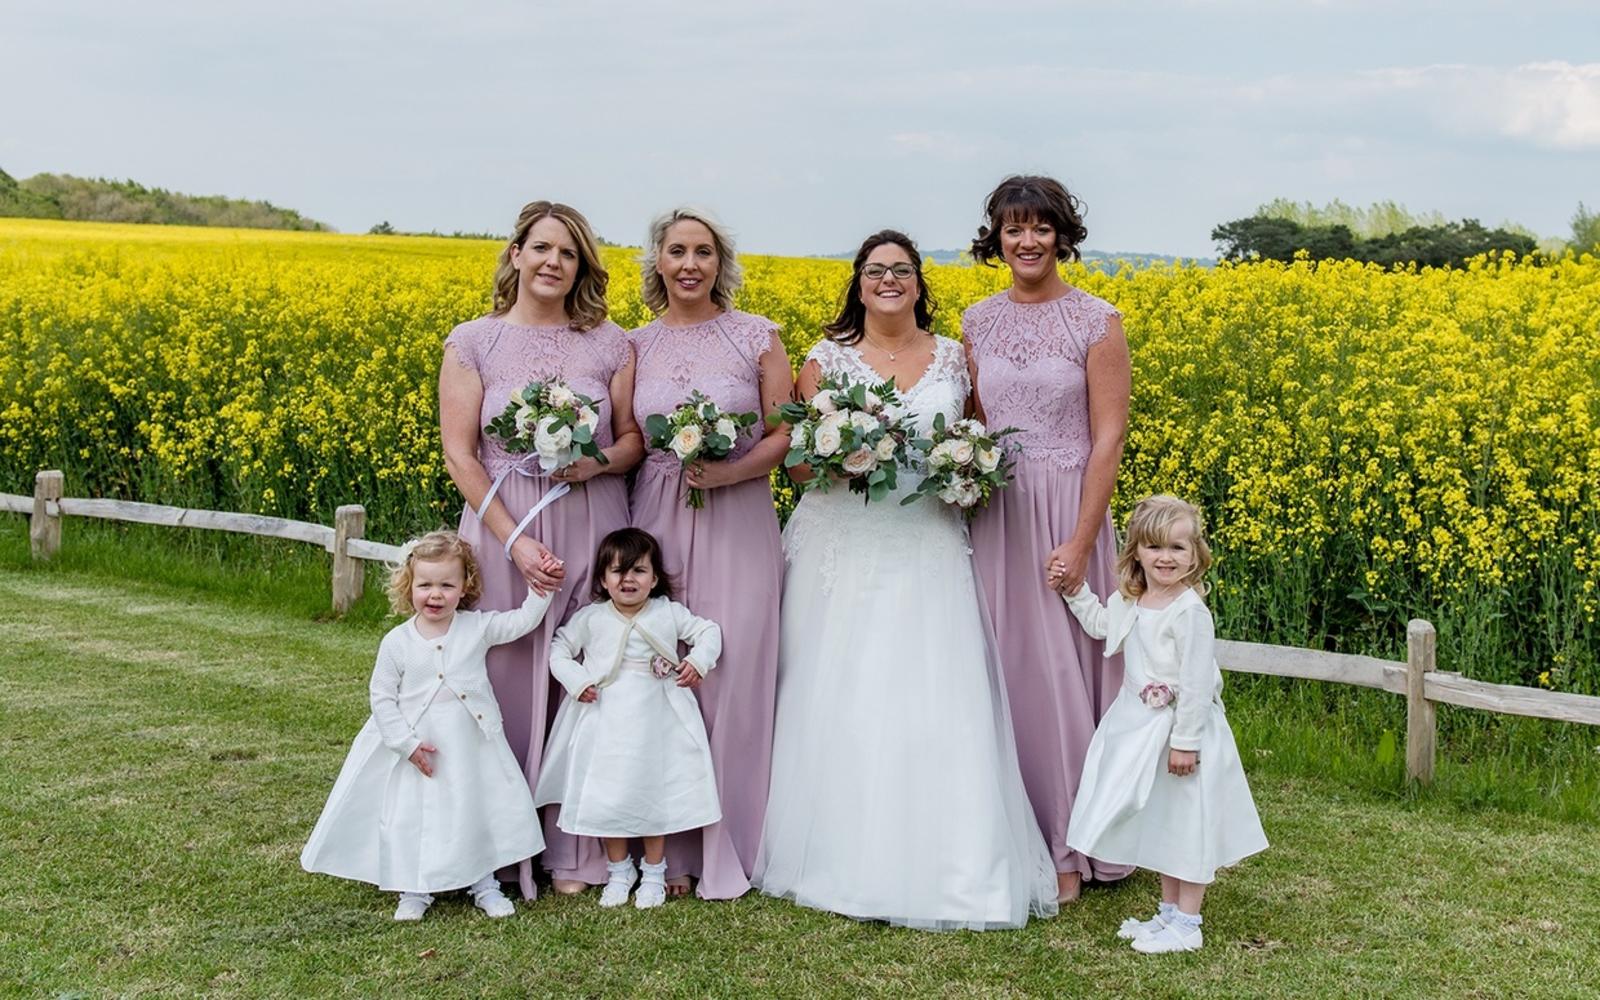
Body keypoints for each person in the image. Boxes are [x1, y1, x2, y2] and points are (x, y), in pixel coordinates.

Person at [753, 230, 1058, 931]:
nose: (889, 279)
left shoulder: (956, 356)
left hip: (927, 543)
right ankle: (834, 857)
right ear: (858, 284)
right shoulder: (823, 360)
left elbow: (976, 446)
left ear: (920, 283)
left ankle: (953, 866)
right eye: (875, 270)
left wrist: (969, 476)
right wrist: (848, 454)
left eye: (902, 270)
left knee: (934, 693)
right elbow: (798, 468)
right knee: (838, 692)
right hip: (843, 543)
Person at [439, 200, 643, 898]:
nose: (554, 262)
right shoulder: (474, 341)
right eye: (543, 248)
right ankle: (495, 846)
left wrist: (596, 464)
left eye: (569, 253)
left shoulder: (612, 343)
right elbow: (460, 456)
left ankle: (579, 850)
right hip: (504, 523)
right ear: (517, 254)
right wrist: (516, 546)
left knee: (589, 670)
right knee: (502, 671)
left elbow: (631, 441)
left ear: (582, 266)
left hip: (590, 513)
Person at [963, 174, 1134, 901]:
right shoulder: (976, 322)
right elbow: (970, 425)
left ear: (1062, 236)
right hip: (1000, 513)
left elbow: (1110, 436)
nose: (1026, 242)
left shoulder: (1097, 321)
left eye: (1040, 228)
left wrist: (1080, 540)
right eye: (1013, 229)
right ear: (996, 238)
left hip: (1068, 510)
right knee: (1007, 673)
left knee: (1065, 675)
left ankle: (1079, 842)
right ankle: (1020, 836)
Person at [628, 207, 791, 899]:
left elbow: (787, 435)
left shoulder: (759, 337)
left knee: (736, 668)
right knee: (659, 665)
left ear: (721, 262)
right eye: (677, 251)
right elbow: (628, 436)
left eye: (703, 252)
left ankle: (728, 845)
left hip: (741, 512)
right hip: (658, 511)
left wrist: (732, 470)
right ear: (657, 262)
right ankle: (660, 847)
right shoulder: (633, 343)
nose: (690, 264)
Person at [300, 531, 556, 920]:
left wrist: (542, 587)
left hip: (470, 741)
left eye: (446, 585)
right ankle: (414, 887)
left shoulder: (477, 627)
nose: (435, 594)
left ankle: (484, 883)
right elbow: (382, 698)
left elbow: (521, 622)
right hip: (418, 742)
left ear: (464, 586)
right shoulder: (397, 642)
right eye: (425, 585)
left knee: (474, 807)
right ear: (409, 585)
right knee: (414, 814)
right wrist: (406, 744)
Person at [1062, 496, 1268, 953]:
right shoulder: (1133, 599)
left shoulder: (1189, 612)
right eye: (1155, 547)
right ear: (1136, 551)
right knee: (1164, 823)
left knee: (1187, 823)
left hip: (1180, 733)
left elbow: (1195, 684)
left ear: (1196, 554)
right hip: (1140, 729)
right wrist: (1074, 591)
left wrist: (1186, 743)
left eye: (1177, 548)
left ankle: (1188, 924)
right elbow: (1101, 625)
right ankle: (1168, 913)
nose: (1166, 558)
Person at [534, 528, 724, 909]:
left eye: (638, 571)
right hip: (605, 719)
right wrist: (576, 679)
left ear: (654, 579)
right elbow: (559, 649)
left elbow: (708, 631)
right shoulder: (591, 618)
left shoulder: (668, 612)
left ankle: (654, 871)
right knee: (609, 795)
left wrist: (698, 661)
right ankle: (619, 870)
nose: (628, 579)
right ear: (603, 580)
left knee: (653, 793)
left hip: (658, 721)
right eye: (617, 571)